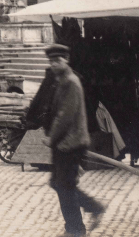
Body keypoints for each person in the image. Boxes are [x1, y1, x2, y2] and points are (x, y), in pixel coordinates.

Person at [43, 44, 106, 237]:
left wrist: (51, 138)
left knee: (64, 186)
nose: (54, 64)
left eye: (57, 60)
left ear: (66, 60)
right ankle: (92, 209)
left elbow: (65, 116)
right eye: (51, 61)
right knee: (58, 184)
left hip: (70, 143)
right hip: (64, 143)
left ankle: (76, 229)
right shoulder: (62, 80)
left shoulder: (71, 82)